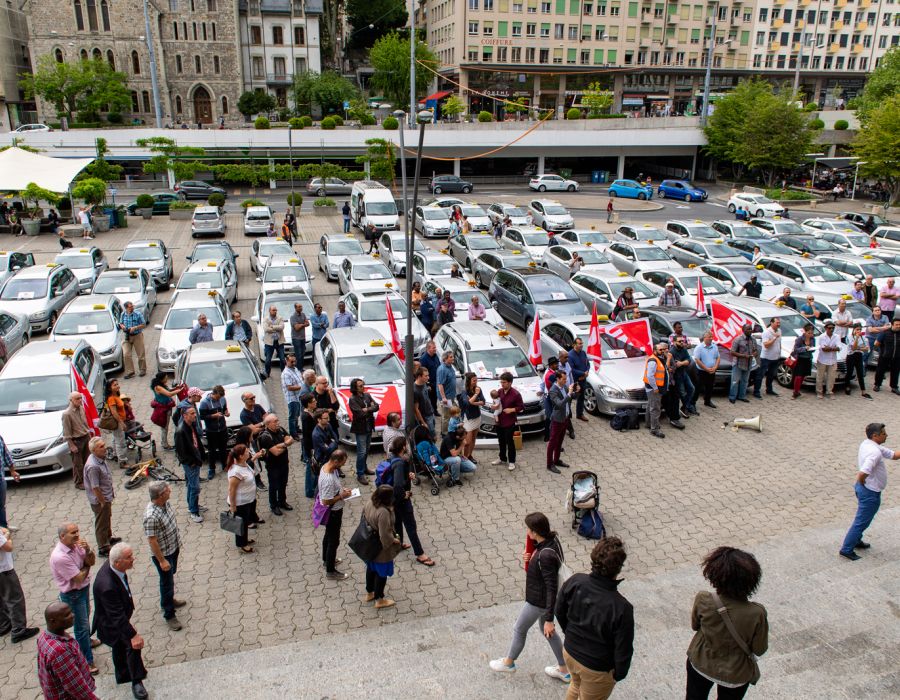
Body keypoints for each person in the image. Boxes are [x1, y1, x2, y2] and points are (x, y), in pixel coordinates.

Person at [490, 512, 570, 684]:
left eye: (528, 529)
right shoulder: (551, 541)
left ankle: (509, 663)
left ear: (535, 531)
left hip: (538, 601)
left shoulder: (545, 556)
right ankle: (564, 670)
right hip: (543, 600)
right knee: (547, 632)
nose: (527, 532)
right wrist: (531, 555)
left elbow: (551, 588)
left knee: (519, 628)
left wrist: (549, 619)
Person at [555, 537, 634, 699]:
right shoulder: (621, 607)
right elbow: (623, 647)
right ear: (618, 568)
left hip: (570, 652)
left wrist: (569, 633)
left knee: (575, 685)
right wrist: (618, 674)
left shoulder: (576, 581)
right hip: (596, 667)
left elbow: (559, 611)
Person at [686, 547, 768, 699]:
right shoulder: (756, 613)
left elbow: (695, 626)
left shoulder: (703, 599)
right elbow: (760, 649)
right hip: (735, 674)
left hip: (701, 662)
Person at [91, 542, 149, 699]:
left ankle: (123, 676)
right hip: (111, 624)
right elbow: (117, 617)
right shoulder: (107, 586)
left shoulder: (114, 566)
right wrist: (133, 635)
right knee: (132, 645)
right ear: (117, 562)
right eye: (129, 557)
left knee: (119, 648)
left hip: (114, 618)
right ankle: (136, 681)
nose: (133, 559)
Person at [841, 422, 900, 561]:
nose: (887, 435)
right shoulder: (874, 453)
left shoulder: (868, 444)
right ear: (875, 436)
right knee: (862, 521)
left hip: (865, 490)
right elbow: (863, 473)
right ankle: (846, 549)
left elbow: (894, 455)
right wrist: (862, 481)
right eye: (884, 433)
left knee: (863, 519)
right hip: (870, 493)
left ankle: (856, 540)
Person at [49, 522, 98, 673]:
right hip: (73, 595)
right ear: (62, 536)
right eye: (73, 533)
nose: (77, 535)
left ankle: (87, 642)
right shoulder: (60, 557)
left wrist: (88, 550)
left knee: (86, 617)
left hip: (83, 590)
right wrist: (87, 565)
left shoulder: (77, 546)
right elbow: (79, 578)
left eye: (77, 531)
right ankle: (86, 661)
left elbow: (92, 560)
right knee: (81, 628)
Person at [143, 481, 184, 631]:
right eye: (167, 490)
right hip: (164, 554)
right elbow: (152, 540)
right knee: (166, 582)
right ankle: (169, 614)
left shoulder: (165, 504)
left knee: (169, 577)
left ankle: (169, 600)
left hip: (173, 547)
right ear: (160, 495)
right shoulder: (151, 516)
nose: (170, 491)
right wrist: (162, 560)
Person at [37, 601, 99, 700]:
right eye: (67, 615)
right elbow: (75, 686)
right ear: (53, 621)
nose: (73, 615)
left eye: (71, 612)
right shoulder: (60, 651)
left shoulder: (44, 636)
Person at [388, 436, 435, 566]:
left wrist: (408, 476)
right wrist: (404, 495)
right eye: (407, 444)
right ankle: (420, 554)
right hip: (402, 501)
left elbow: (397, 477)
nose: (408, 447)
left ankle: (399, 543)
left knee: (397, 521)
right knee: (411, 527)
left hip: (394, 500)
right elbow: (398, 485)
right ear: (403, 447)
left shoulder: (393, 457)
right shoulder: (399, 463)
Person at [362, 485, 403, 609]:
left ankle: (370, 592)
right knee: (382, 573)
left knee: (371, 568)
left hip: (370, 544)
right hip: (380, 549)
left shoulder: (370, 502)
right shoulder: (383, 512)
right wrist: (393, 540)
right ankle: (379, 599)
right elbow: (384, 535)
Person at [317, 449, 353, 581]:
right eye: (342, 463)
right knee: (334, 541)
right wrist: (342, 496)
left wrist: (342, 491)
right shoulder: (327, 479)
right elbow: (326, 501)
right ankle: (330, 571)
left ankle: (327, 560)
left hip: (335, 511)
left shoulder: (328, 467)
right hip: (333, 513)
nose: (343, 465)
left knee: (328, 535)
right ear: (336, 461)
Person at [0, 523, 38, 645]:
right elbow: (8, 547)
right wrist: (8, 536)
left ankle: (4, 624)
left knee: (1, 598)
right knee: (14, 598)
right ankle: (19, 630)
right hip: (3, 570)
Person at [83, 437, 119, 556]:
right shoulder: (93, 466)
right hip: (100, 500)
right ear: (94, 450)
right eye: (101, 447)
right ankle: (103, 547)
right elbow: (95, 487)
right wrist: (102, 501)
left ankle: (108, 538)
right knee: (101, 523)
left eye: (104, 445)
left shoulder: (99, 459)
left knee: (107, 518)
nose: (105, 448)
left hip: (106, 497)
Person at [174, 406, 206, 524]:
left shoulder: (191, 425)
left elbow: (196, 441)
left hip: (195, 460)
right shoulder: (180, 431)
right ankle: (194, 511)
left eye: (194, 413)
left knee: (191, 485)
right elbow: (180, 451)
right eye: (192, 413)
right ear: (184, 415)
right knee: (195, 487)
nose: (195, 415)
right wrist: (191, 462)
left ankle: (192, 505)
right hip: (190, 463)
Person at [227, 444, 260, 553]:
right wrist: (233, 506)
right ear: (241, 456)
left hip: (248, 501)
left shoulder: (244, 464)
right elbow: (231, 490)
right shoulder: (236, 472)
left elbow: (250, 465)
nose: (249, 452)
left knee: (245, 522)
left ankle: (244, 540)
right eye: (246, 451)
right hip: (240, 503)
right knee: (240, 524)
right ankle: (242, 545)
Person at [492, 371, 524, 471]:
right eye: (501, 382)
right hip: (499, 421)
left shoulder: (516, 394)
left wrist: (512, 409)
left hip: (509, 422)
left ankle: (512, 461)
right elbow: (496, 402)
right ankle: (502, 458)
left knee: (510, 442)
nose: (502, 384)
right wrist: (494, 406)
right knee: (501, 441)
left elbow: (521, 407)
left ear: (510, 382)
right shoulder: (499, 391)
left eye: (504, 382)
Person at [348, 378, 379, 485]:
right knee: (361, 452)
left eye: (363, 384)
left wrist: (368, 409)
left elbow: (377, 406)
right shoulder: (352, 399)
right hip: (360, 428)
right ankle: (360, 474)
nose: (363, 387)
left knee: (366, 450)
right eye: (360, 386)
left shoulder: (367, 395)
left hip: (369, 426)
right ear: (355, 388)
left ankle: (364, 468)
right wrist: (370, 408)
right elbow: (360, 414)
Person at [62, 391, 92, 489]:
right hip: (76, 440)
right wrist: (71, 445)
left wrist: (89, 435)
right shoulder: (67, 414)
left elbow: (84, 423)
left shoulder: (81, 408)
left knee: (87, 460)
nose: (80, 400)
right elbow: (66, 432)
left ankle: (87, 479)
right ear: (71, 400)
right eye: (77, 399)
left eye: (80, 398)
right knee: (78, 464)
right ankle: (79, 482)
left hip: (85, 437)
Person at [547, 369, 575, 472]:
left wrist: (576, 391)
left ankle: (556, 460)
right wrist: (569, 394)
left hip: (565, 418)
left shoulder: (564, 387)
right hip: (557, 420)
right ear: (558, 379)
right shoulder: (553, 390)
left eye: (566, 378)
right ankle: (549, 464)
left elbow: (571, 397)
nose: (565, 380)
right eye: (563, 379)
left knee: (560, 441)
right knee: (552, 442)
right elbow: (559, 404)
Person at [198, 386, 229, 479]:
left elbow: (225, 409)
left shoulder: (222, 399)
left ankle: (225, 465)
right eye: (217, 397)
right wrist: (213, 416)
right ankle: (211, 469)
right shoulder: (204, 403)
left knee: (223, 449)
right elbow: (202, 416)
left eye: (220, 397)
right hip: (211, 431)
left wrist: (226, 412)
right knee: (212, 451)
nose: (219, 399)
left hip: (222, 429)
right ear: (213, 393)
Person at [644, 342, 669, 439]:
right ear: (655, 351)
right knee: (655, 409)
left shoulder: (658, 358)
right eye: (660, 350)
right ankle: (654, 429)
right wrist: (655, 388)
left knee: (650, 405)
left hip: (654, 388)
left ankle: (648, 424)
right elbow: (650, 376)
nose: (662, 351)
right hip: (654, 389)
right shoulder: (653, 360)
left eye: (663, 349)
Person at [150, 373, 182, 451]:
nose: (167, 379)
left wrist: (175, 388)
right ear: (162, 379)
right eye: (166, 378)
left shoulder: (161, 385)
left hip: (166, 408)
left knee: (165, 427)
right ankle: (165, 444)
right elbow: (169, 394)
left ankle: (164, 443)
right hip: (163, 410)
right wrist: (178, 390)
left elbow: (169, 390)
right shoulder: (158, 387)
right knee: (164, 427)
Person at [457, 372, 485, 461]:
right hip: (468, 418)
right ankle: (465, 459)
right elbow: (467, 404)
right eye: (474, 380)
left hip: (477, 416)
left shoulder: (478, 389)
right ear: (469, 381)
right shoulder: (464, 391)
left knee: (473, 439)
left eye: (476, 380)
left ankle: (469, 456)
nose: (476, 382)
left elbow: (483, 402)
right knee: (467, 442)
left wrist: (473, 402)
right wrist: (476, 395)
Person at [102, 378, 129, 468]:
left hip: (119, 422)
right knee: (121, 442)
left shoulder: (116, 395)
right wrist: (121, 422)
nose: (117, 386)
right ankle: (122, 461)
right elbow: (114, 413)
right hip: (117, 423)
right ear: (109, 388)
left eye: (117, 384)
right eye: (115, 385)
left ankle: (116, 455)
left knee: (115, 439)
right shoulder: (111, 399)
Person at [728, 323, 757, 404]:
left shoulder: (753, 339)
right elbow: (732, 352)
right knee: (735, 381)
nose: (750, 330)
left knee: (745, 381)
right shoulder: (738, 339)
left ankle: (742, 396)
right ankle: (732, 397)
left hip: (748, 364)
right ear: (743, 330)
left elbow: (755, 350)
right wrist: (743, 356)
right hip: (738, 364)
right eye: (748, 329)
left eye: (751, 329)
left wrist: (754, 354)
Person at [754, 317, 782, 398]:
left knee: (771, 374)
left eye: (779, 322)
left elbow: (779, 343)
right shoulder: (766, 332)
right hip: (766, 358)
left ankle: (769, 389)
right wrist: (774, 338)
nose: (778, 324)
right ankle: (756, 391)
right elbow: (766, 345)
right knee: (761, 374)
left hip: (775, 357)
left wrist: (779, 352)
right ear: (772, 323)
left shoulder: (779, 331)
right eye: (777, 323)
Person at [118, 302, 147, 379]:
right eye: (130, 307)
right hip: (127, 336)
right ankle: (130, 372)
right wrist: (122, 326)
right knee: (126, 354)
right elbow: (120, 323)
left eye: (132, 306)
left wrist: (135, 328)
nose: (132, 308)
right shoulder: (123, 314)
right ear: (126, 308)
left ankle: (142, 370)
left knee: (140, 354)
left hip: (137, 335)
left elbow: (144, 324)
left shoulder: (138, 314)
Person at [844, 324, 873, 399]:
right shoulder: (849, 337)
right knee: (849, 372)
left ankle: (863, 391)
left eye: (860, 329)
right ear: (853, 330)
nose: (859, 331)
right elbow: (853, 348)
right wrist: (857, 339)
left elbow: (867, 348)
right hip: (851, 356)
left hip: (859, 356)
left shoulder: (864, 338)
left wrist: (859, 348)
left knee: (860, 373)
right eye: (857, 329)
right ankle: (847, 386)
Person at [873, 317, 900, 393]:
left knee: (895, 372)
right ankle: (877, 385)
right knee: (880, 371)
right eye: (896, 324)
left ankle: (894, 387)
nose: (898, 326)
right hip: (884, 356)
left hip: (897, 356)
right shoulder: (884, 333)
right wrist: (883, 350)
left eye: (899, 325)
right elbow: (876, 343)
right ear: (892, 325)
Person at [693, 332, 719, 408]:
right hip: (701, 371)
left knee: (710, 387)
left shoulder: (714, 346)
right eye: (709, 337)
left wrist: (715, 367)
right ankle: (692, 403)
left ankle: (707, 401)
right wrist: (706, 368)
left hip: (712, 370)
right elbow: (697, 360)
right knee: (698, 387)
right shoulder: (699, 347)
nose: (711, 338)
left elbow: (718, 357)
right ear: (704, 338)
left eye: (712, 337)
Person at [280, 353, 303, 440]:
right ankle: (293, 434)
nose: (294, 363)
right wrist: (302, 387)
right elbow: (289, 387)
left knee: (297, 414)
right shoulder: (286, 373)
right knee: (292, 416)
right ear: (286, 361)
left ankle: (296, 428)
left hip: (298, 396)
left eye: (295, 361)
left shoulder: (295, 369)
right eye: (291, 361)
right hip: (292, 398)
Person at [816, 320, 841, 399]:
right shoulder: (822, 337)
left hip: (832, 360)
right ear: (826, 328)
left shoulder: (837, 336)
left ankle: (829, 391)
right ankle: (819, 392)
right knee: (820, 377)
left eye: (833, 328)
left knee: (831, 378)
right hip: (822, 360)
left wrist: (830, 348)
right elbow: (824, 349)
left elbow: (839, 347)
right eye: (829, 328)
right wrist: (833, 348)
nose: (831, 330)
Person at [790, 323, 816, 399]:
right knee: (798, 376)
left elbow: (813, 349)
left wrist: (812, 349)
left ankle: (797, 391)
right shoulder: (800, 339)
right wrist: (804, 348)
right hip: (800, 359)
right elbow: (796, 349)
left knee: (803, 376)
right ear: (805, 332)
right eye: (809, 333)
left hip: (808, 359)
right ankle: (795, 392)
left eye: (811, 333)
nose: (810, 335)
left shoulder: (812, 339)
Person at [300, 394, 319, 498]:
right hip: (310, 447)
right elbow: (307, 435)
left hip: (313, 445)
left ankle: (314, 487)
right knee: (310, 468)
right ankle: (310, 491)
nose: (316, 402)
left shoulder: (312, 412)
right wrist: (309, 450)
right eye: (313, 401)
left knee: (314, 467)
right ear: (308, 404)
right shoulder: (306, 416)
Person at [261, 305, 287, 379]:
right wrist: (276, 328)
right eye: (273, 310)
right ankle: (267, 373)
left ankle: (283, 373)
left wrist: (272, 326)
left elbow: (282, 327)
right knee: (268, 360)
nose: (275, 311)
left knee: (282, 359)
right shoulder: (266, 318)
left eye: (275, 310)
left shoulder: (280, 318)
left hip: (279, 341)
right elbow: (266, 329)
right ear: (269, 311)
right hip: (269, 342)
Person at [436, 350, 457, 436]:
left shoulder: (450, 366)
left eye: (453, 356)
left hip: (451, 396)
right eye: (451, 357)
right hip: (446, 398)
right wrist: (443, 398)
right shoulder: (442, 369)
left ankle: (450, 429)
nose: (453, 358)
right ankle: (444, 433)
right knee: (446, 416)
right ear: (445, 359)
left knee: (452, 414)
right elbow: (440, 384)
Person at [569, 337, 590, 421]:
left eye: (582, 343)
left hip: (583, 379)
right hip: (575, 381)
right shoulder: (570, 355)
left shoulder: (583, 353)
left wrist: (587, 371)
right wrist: (582, 373)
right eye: (580, 344)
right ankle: (568, 415)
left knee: (581, 398)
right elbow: (571, 369)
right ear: (574, 345)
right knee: (570, 398)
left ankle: (579, 414)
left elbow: (587, 364)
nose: (582, 345)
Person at [413, 366, 436, 437]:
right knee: (431, 436)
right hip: (425, 417)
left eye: (428, 375)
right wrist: (423, 422)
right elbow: (416, 409)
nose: (428, 377)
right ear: (419, 376)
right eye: (426, 376)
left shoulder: (424, 383)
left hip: (431, 412)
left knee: (433, 431)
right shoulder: (415, 390)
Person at [419, 341, 440, 408]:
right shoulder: (423, 359)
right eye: (433, 348)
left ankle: (435, 410)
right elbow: (422, 374)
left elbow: (439, 366)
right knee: (430, 401)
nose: (435, 349)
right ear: (428, 348)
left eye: (435, 347)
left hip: (436, 383)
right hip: (429, 385)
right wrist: (427, 385)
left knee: (435, 399)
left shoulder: (435, 356)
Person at [289, 301, 309, 367]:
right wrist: (303, 324)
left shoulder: (303, 314)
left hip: (303, 338)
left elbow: (308, 323)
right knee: (298, 355)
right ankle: (298, 368)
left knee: (302, 354)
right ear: (295, 308)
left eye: (301, 306)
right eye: (299, 307)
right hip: (296, 338)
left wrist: (300, 325)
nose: (301, 308)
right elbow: (296, 328)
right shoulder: (293, 317)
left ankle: (300, 368)